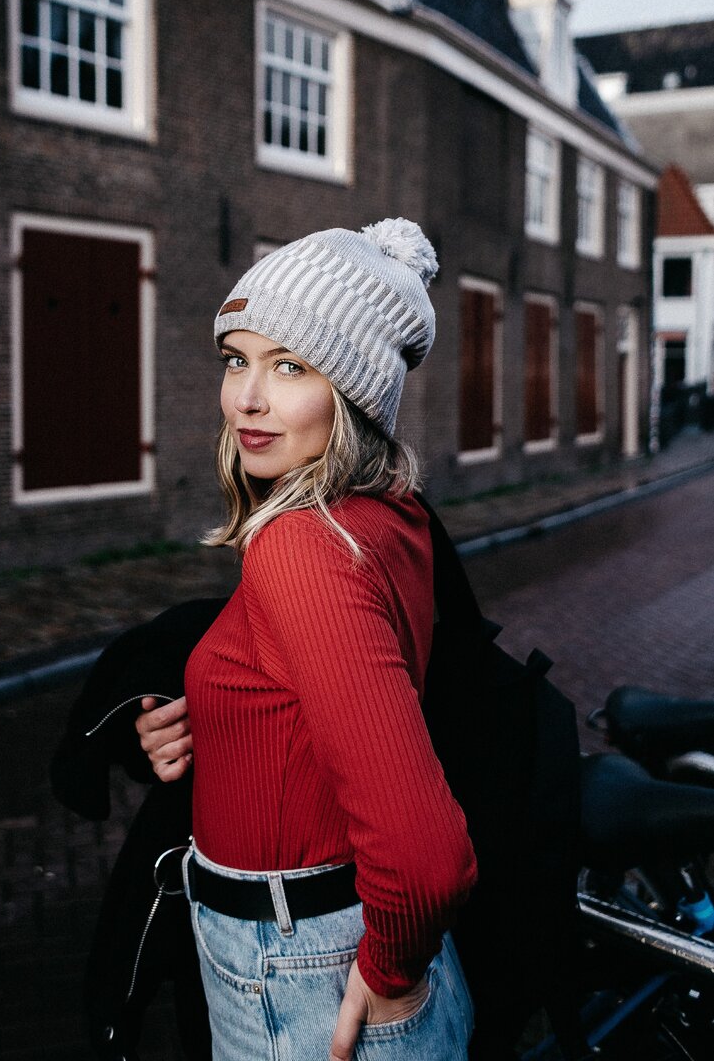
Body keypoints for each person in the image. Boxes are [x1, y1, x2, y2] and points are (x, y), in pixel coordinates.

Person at [136, 218, 477, 1061]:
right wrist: (225, 718)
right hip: (317, 940)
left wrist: (390, 972)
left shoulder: (300, 546)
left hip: (301, 967)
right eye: (236, 359)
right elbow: (342, 695)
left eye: (290, 366)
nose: (245, 399)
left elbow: (426, 856)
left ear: (354, 391)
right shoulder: (387, 514)